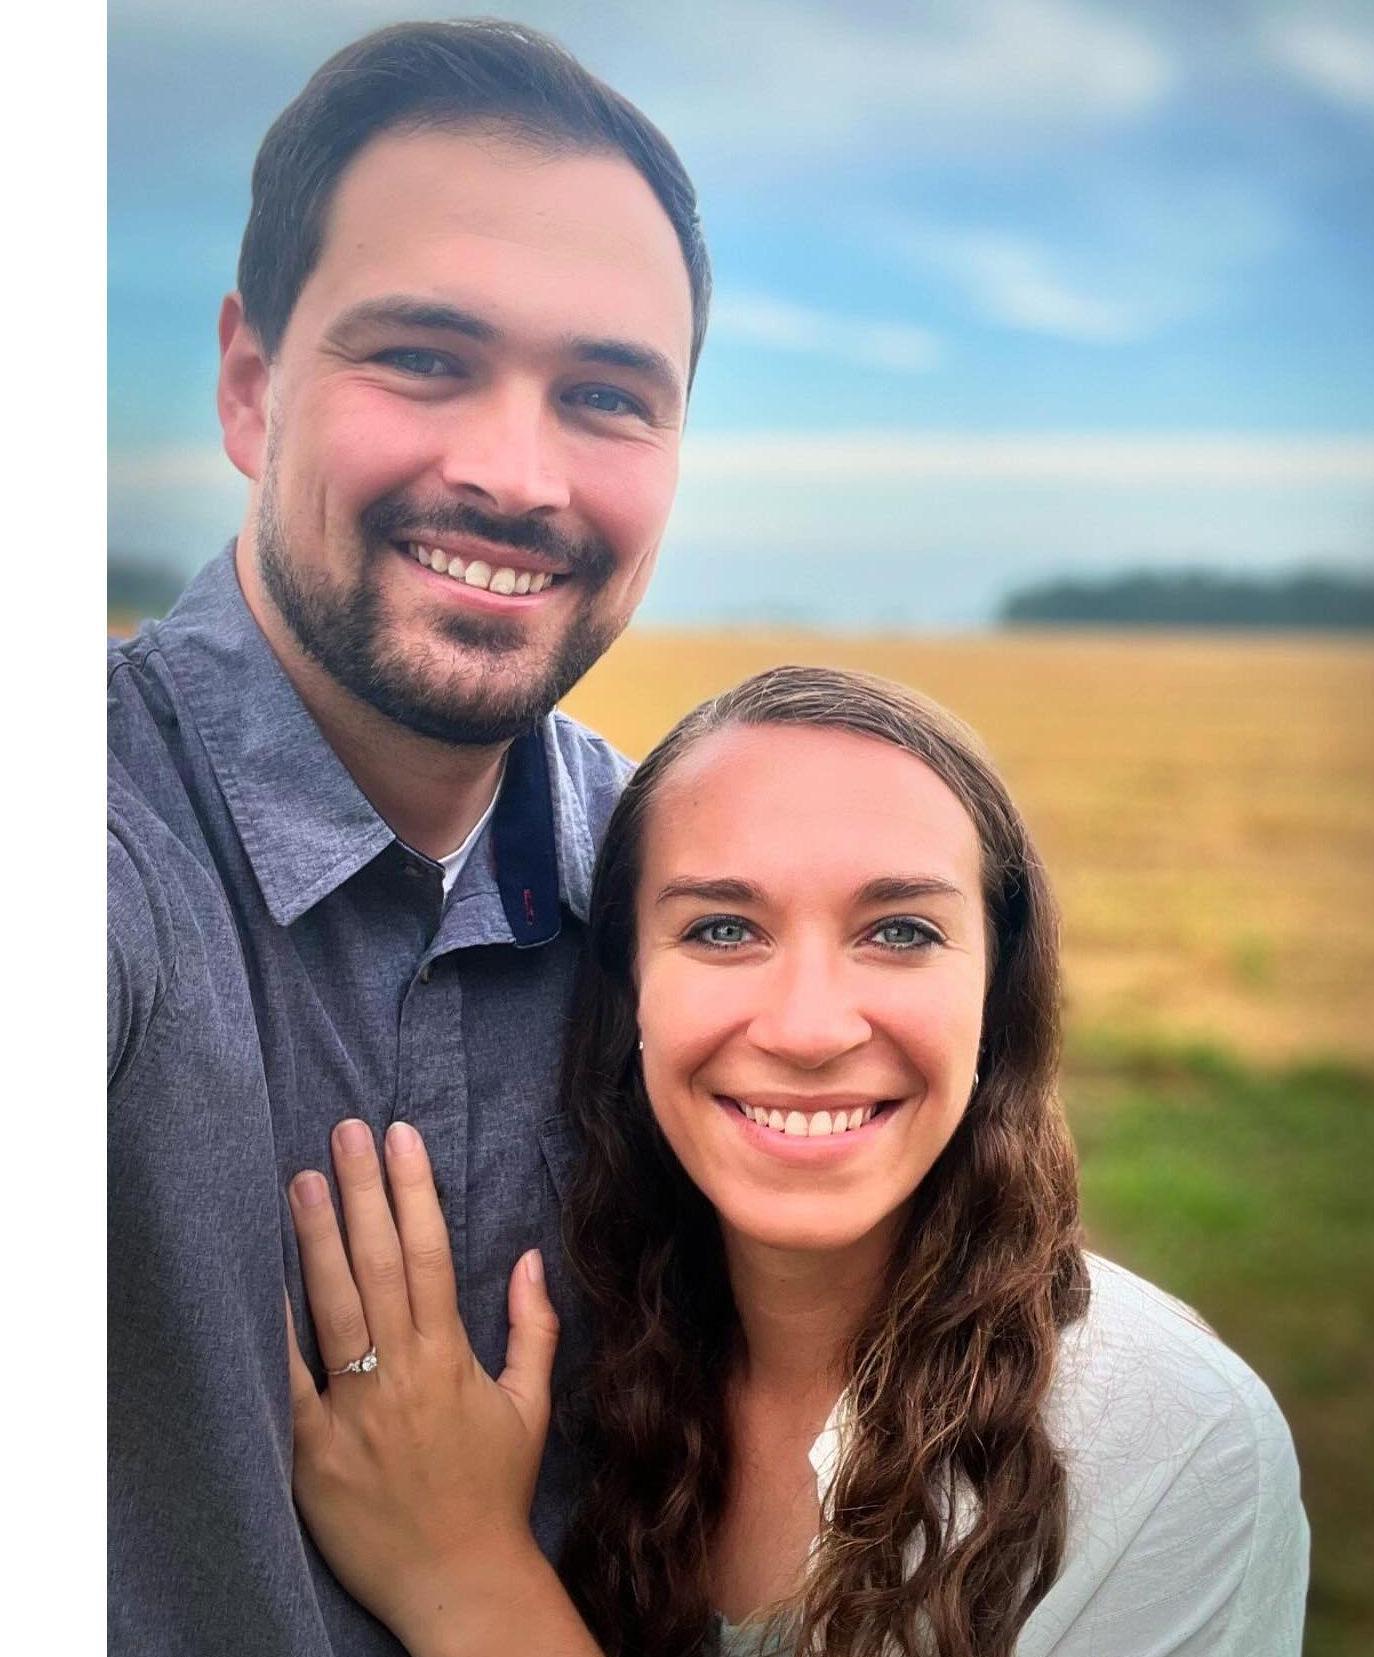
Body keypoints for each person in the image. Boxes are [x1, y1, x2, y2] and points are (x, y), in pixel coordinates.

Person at [278, 667, 1311, 1657]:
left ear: (996, 990)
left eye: (899, 931)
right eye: (724, 928)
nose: (809, 1030)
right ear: (629, 992)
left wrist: (468, 1576)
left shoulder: (1170, 1439)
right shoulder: (602, 1352)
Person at [107, 19, 709, 1652]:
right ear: (251, 387)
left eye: (606, 396)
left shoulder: (684, 901)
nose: (515, 475)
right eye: (425, 358)